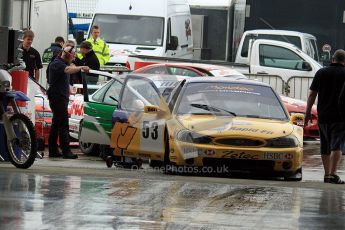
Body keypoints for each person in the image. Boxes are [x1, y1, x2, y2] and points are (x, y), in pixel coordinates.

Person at [305, 49, 345, 184]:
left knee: (325, 145)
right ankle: (333, 174)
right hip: (340, 116)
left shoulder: (321, 72)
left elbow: (312, 94)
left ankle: (327, 174)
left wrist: (308, 112)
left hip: (323, 114)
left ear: (333, 59)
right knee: (337, 145)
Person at [47, 46, 90, 159]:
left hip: (60, 97)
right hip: (58, 98)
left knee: (56, 124)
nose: (74, 58)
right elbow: (68, 70)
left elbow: (68, 70)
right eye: (73, 56)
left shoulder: (62, 63)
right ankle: (66, 151)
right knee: (63, 124)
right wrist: (81, 67)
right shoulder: (57, 64)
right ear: (67, 55)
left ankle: (53, 150)